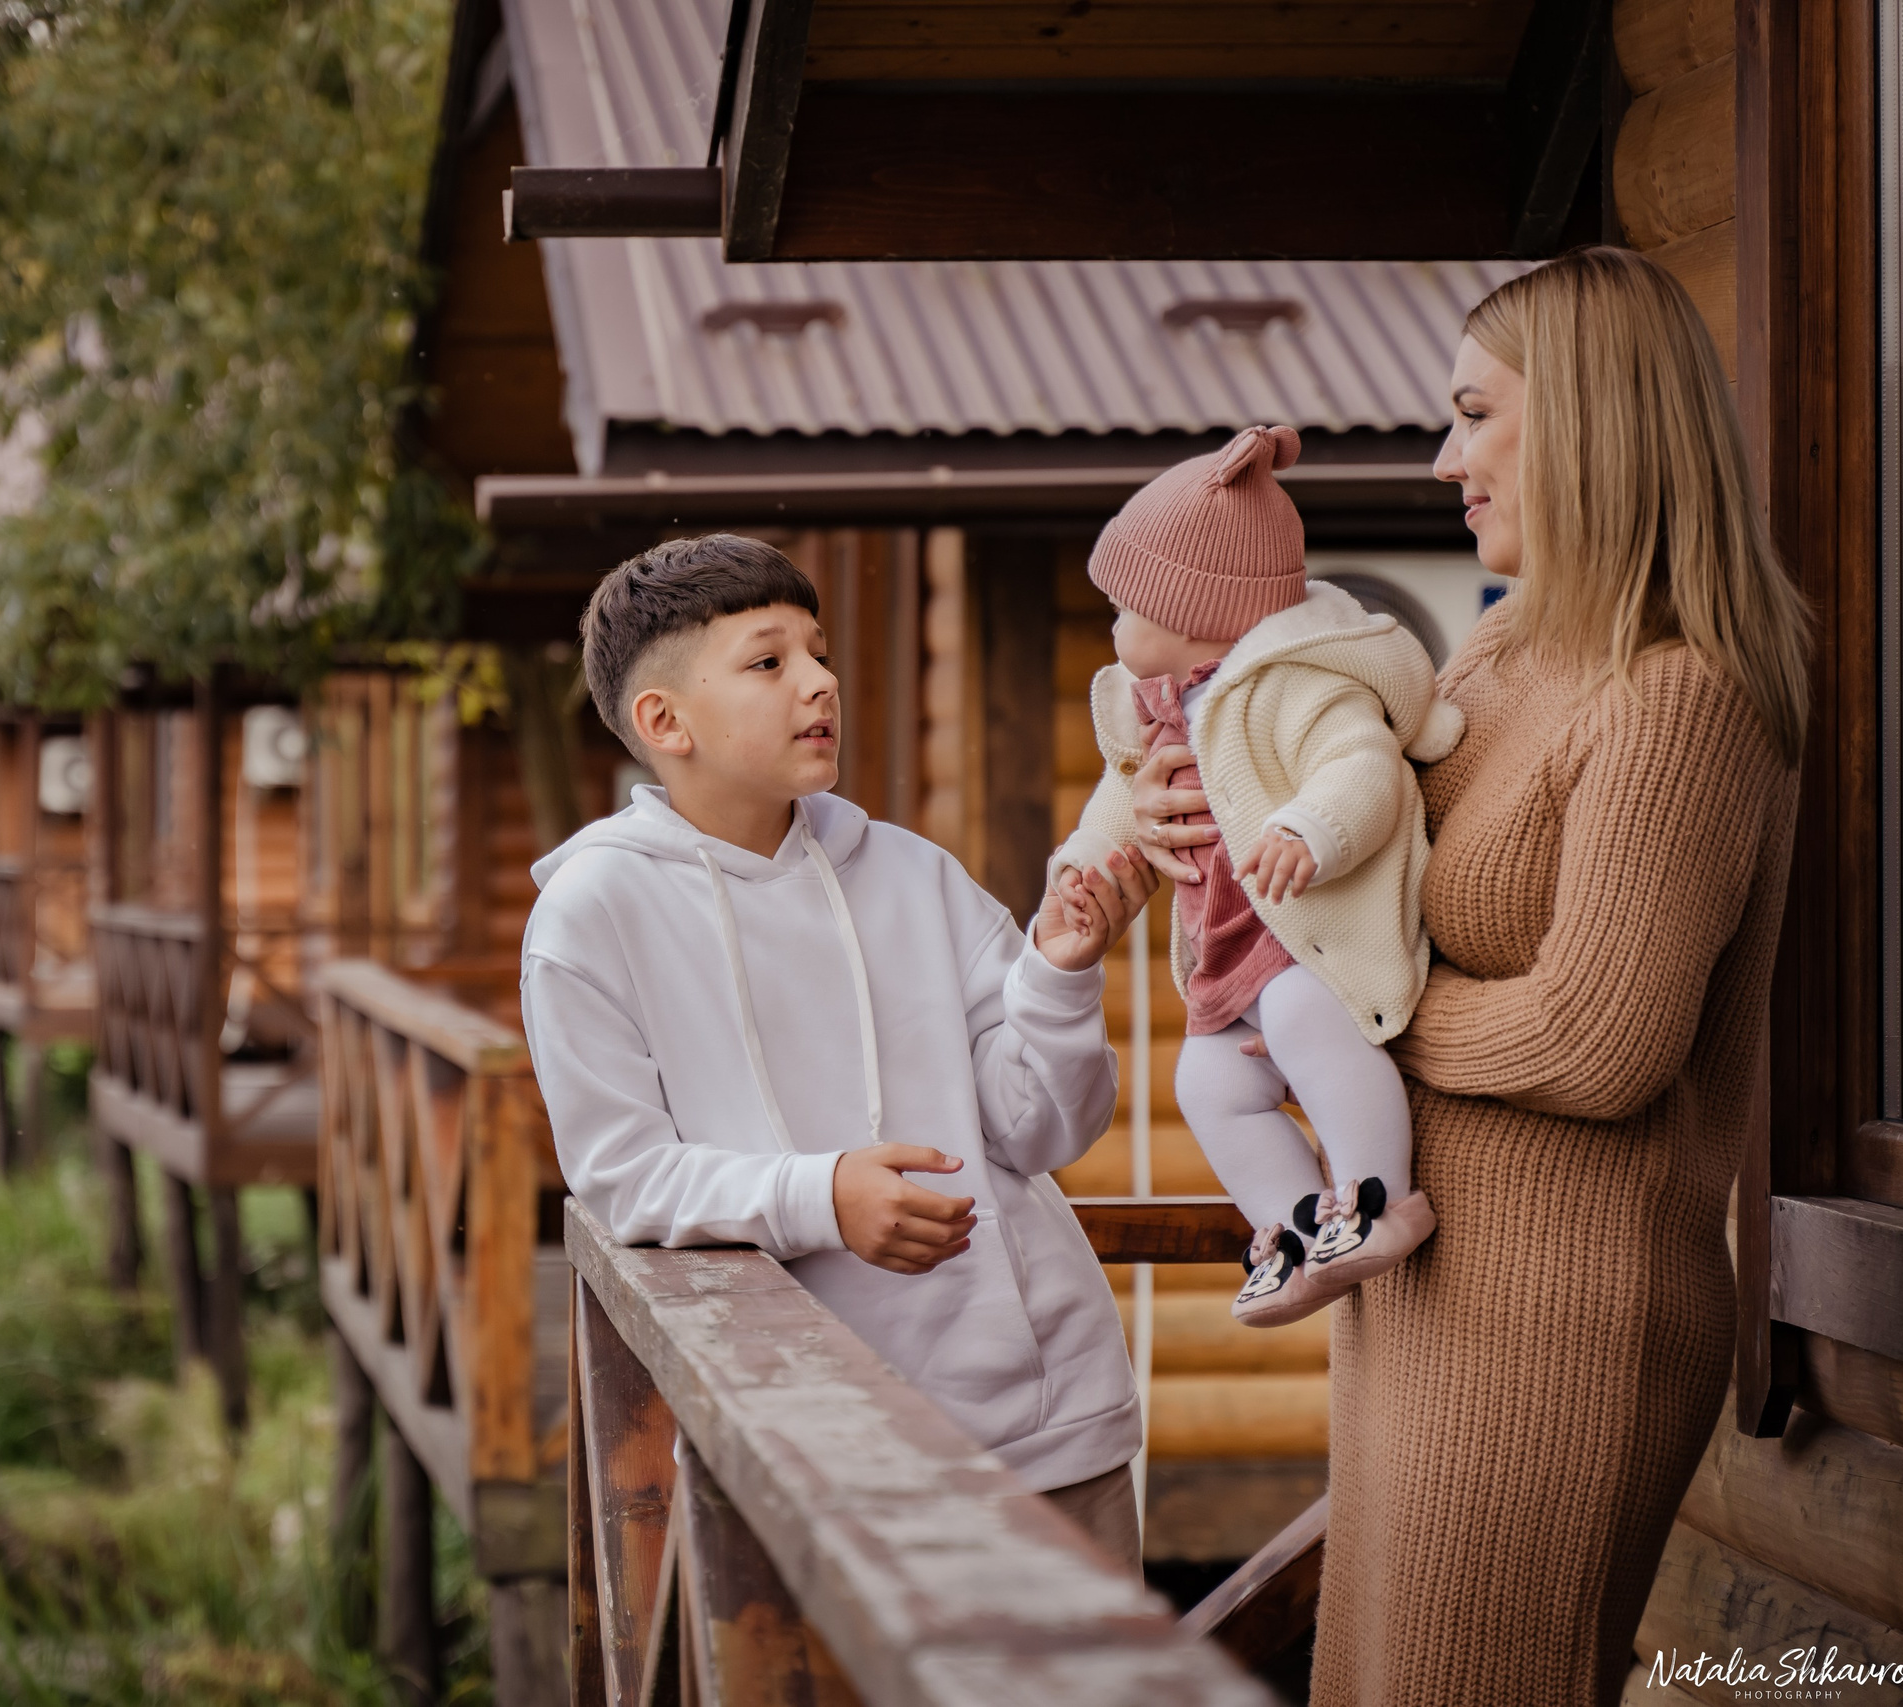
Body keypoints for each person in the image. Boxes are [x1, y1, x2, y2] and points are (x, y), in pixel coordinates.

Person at [1123, 250, 1807, 1706]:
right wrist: (1199, 813)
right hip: (1428, 1279)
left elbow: (1596, 1039)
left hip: (1563, 1315)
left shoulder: (1680, 694)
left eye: (1475, 414)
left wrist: (1329, 1018)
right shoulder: (1498, 649)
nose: (1444, 458)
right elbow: (1365, 865)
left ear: (1593, 423)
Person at [519, 533, 1160, 1562]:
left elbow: (1043, 1130)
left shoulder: (913, 874)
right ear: (664, 721)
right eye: (768, 661)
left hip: (1041, 1426)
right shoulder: (590, 916)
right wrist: (822, 1196)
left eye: (818, 652)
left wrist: (1057, 973)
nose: (819, 681)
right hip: (795, 1439)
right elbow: (623, 1178)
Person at [1054, 424, 1463, 1328]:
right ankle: (1295, 1229)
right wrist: (1082, 863)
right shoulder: (1160, 709)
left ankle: (1379, 1199)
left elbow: (1362, 767)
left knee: (1303, 1017)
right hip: (1234, 959)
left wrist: (1312, 826)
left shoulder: (1299, 686)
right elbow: (1122, 800)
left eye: (1124, 607)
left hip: (1315, 943)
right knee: (1205, 1085)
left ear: (1191, 611)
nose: (1112, 625)